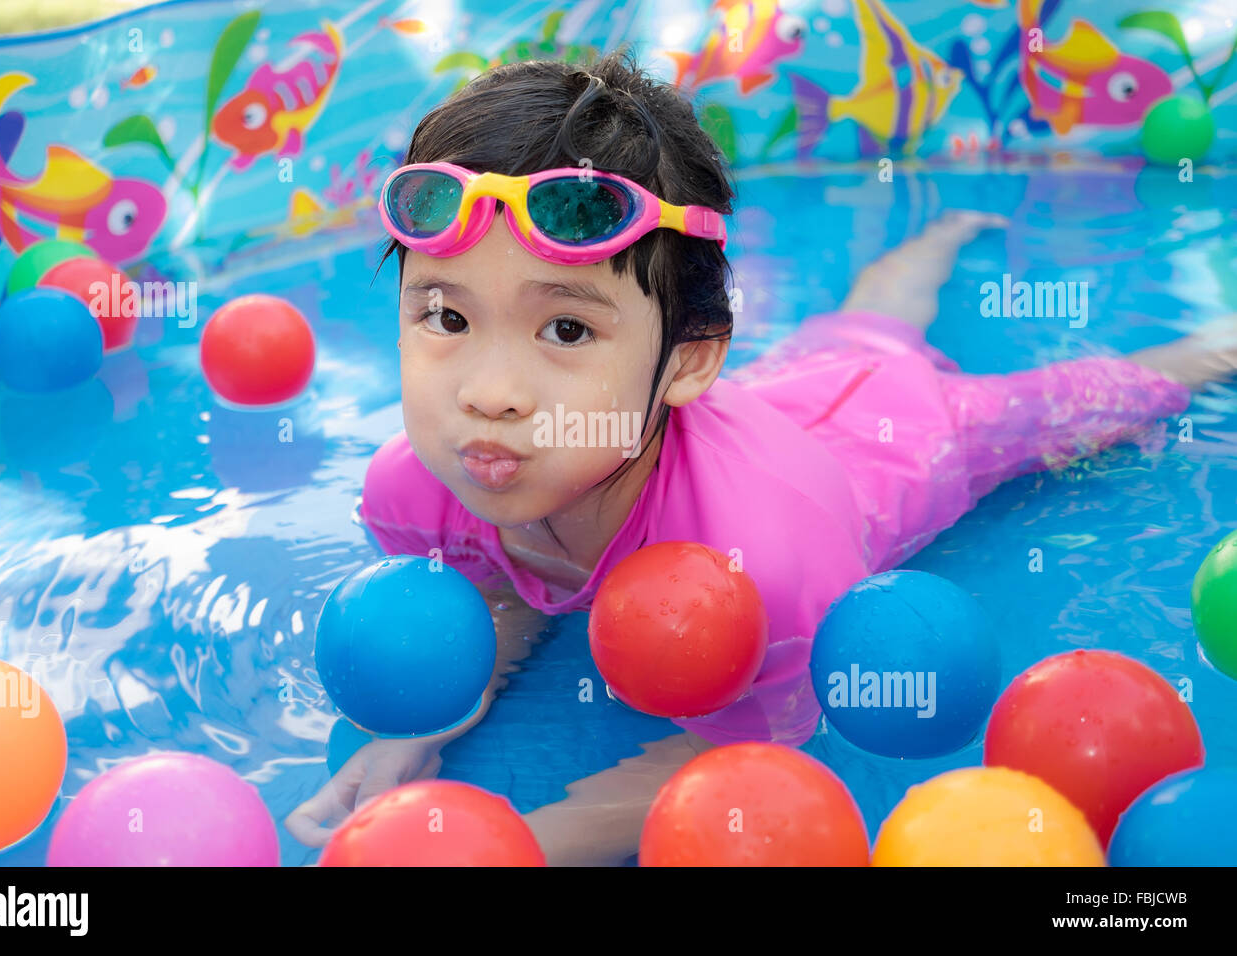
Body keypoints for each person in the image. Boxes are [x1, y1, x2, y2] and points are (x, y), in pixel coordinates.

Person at [287, 48, 1231, 865]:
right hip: (794, 384)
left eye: (566, 328)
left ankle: (1201, 344)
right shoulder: (417, 488)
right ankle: (935, 242)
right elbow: (495, 585)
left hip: (902, 436)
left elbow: (720, 761)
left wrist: (526, 847)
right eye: (446, 316)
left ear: (685, 361)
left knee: (1072, 408)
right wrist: (425, 725)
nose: (488, 392)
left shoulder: (761, 569)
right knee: (863, 319)